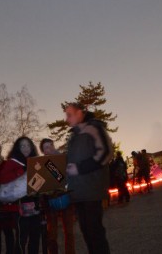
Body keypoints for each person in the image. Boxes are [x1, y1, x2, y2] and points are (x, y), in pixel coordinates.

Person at [64, 103, 111, 254]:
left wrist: (79, 168)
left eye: (69, 114)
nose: (66, 119)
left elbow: (105, 153)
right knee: (87, 233)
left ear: (79, 114)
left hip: (91, 190)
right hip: (78, 193)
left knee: (95, 233)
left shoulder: (94, 128)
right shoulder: (74, 136)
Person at [0, 137, 41, 254]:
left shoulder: (36, 162)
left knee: (35, 237)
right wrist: (21, 173)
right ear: (17, 148)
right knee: (21, 238)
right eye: (22, 146)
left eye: (28, 145)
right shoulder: (12, 162)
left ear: (32, 147)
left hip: (35, 205)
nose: (26, 148)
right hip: (20, 207)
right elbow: (3, 179)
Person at [39, 138, 75, 254]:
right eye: (46, 147)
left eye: (50, 146)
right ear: (43, 151)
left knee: (69, 232)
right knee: (52, 234)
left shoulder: (64, 159)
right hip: (51, 203)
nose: (49, 149)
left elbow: (71, 177)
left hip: (66, 199)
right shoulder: (40, 165)